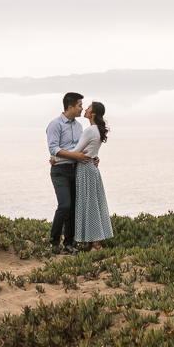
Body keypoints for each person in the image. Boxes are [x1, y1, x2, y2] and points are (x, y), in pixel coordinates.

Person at [46, 92, 89, 254]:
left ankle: (68, 243)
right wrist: (75, 156)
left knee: (73, 209)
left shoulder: (79, 127)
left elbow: (82, 148)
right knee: (65, 205)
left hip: (76, 170)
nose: (81, 109)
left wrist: (93, 157)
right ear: (70, 107)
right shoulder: (55, 124)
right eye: (79, 105)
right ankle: (54, 240)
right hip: (60, 171)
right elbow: (54, 149)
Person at [72, 101, 114, 249]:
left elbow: (76, 151)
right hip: (91, 167)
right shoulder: (97, 130)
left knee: (89, 204)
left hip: (85, 167)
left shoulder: (90, 130)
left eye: (88, 108)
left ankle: (95, 241)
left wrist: (56, 157)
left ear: (93, 113)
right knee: (94, 203)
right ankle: (93, 240)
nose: (85, 109)